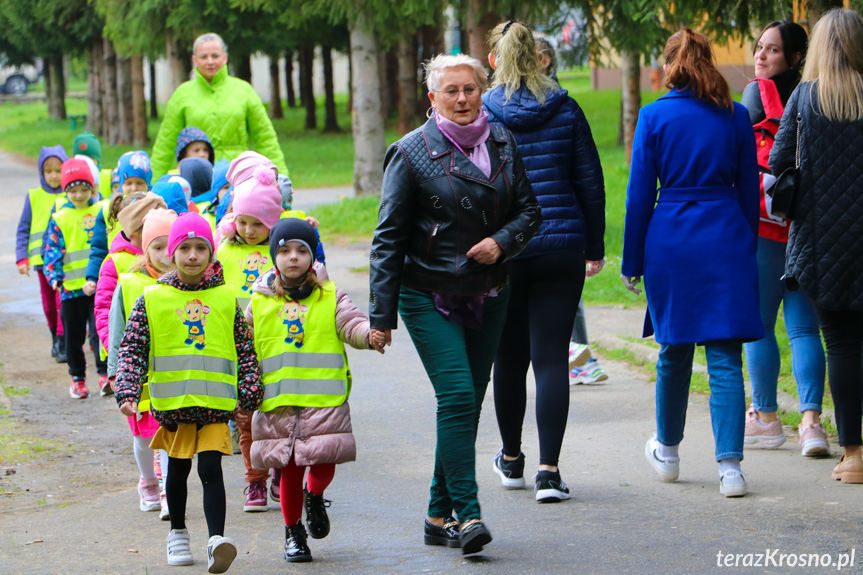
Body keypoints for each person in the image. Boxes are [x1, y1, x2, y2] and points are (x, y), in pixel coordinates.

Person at [369, 53, 541, 554]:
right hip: (428, 293)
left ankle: (435, 514)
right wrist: (381, 316)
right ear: (433, 98)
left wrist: (502, 242)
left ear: (482, 90)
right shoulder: (411, 152)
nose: (463, 99)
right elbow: (387, 238)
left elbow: (530, 210)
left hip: (490, 291)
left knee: (466, 404)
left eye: (470, 89)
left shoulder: (504, 139)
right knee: (459, 398)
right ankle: (468, 515)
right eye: (452, 91)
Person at [621, 28, 763, 498]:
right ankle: (731, 469)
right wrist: (743, 243)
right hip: (725, 235)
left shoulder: (653, 116)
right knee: (724, 355)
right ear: (709, 61)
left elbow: (640, 194)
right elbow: (748, 191)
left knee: (673, 350)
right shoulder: (736, 116)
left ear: (668, 66)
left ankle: (668, 451)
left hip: (671, 239)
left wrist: (632, 260)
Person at [482, 21, 606, 502]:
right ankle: (549, 472)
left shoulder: (482, 115)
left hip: (505, 251)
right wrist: (592, 245)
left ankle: (512, 459)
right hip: (560, 247)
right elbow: (589, 182)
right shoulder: (566, 108)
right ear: (539, 59)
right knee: (552, 358)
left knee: (508, 359)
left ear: (495, 60)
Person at [114, 212, 263, 572]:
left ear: (211, 254)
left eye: (201, 248)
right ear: (172, 253)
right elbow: (132, 348)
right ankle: (178, 533)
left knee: (211, 469)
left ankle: (216, 541)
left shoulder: (226, 299)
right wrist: (127, 389)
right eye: (184, 248)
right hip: (174, 407)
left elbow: (244, 348)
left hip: (214, 407)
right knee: (177, 472)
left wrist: (249, 389)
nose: (192, 255)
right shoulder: (153, 299)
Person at [247, 219, 385, 563]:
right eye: (284, 250)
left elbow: (351, 323)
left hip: (323, 401)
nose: (293, 257)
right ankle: (294, 533)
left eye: (301, 250)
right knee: (290, 468)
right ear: (273, 256)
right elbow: (241, 338)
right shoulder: (259, 301)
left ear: (312, 256)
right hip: (278, 402)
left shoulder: (330, 295)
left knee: (324, 463)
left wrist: (369, 334)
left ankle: (315, 493)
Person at [771, 9, 863, 485]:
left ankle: (854, 454)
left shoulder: (805, 97)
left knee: (843, 345)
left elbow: (779, 160)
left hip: (823, 242)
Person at [739, 22, 828, 456]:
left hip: (765, 226)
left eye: (772, 50)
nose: (761, 57)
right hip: (806, 227)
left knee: (758, 325)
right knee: (804, 328)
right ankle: (812, 424)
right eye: (759, 48)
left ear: (793, 57)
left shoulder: (756, 94)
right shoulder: (818, 93)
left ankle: (767, 418)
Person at [215, 165, 281, 512]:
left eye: (258, 223)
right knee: (246, 420)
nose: (249, 230)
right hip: (239, 351)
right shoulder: (224, 251)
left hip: (276, 348)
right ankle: (254, 481)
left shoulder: (283, 252)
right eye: (243, 222)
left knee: (280, 416)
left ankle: (281, 471)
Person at [104, 207, 177, 515]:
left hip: (173, 375)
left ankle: (167, 493)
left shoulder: (187, 284)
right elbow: (116, 329)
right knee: (143, 436)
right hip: (138, 375)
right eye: (156, 247)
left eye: (168, 246)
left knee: (169, 436)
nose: (164, 255)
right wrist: (115, 372)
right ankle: (148, 480)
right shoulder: (130, 283)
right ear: (144, 248)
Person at [149, 32, 287, 179]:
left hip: (238, 175)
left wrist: (281, 178)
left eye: (215, 56)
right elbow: (165, 143)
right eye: (203, 57)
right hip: (198, 177)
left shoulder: (244, 90)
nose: (210, 61)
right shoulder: (182, 94)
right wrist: (153, 184)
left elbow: (265, 138)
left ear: (225, 57)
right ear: (194, 60)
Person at [43, 159, 109, 399]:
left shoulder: (101, 209)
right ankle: (78, 378)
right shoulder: (60, 217)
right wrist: (54, 276)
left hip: (99, 285)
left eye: (84, 189)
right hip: (70, 289)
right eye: (73, 190)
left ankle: (104, 375)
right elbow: (52, 250)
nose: (79, 195)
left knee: (99, 333)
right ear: (65, 191)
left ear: (92, 188)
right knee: (74, 336)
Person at [94, 193, 167, 396]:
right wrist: (116, 353)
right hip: (130, 357)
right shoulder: (115, 262)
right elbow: (103, 309)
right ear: (134, 230)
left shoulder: (169, 259)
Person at [16, 145, 69, 362]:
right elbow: (23, 228)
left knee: (61, 302)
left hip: (64, 261)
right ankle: (54, 335)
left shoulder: (71, 195)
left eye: (58, 170)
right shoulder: (34, 197)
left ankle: (61, 340)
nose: (54, 176)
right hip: (41, 263)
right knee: (48, 305)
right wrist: (22, 257)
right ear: (41, 172)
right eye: (49, 171)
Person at [85, 151, 153, 295]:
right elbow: (99, 248)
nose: (134, 188)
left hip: (148, 280)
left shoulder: (155, 208)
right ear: (121, 183)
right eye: (128, 183)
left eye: (140, 183)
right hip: (115, 279)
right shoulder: (107, 210)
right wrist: (92, 277)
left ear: (148, 183)